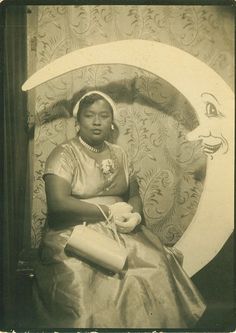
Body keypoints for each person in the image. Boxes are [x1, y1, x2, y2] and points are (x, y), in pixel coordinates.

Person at [33, 90, 206, 328]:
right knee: (88, 281)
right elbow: (58, 204)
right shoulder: (64, 153)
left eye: (103, 116)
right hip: (74, 231)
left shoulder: (120, 154)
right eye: (89, 115)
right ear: (77, 121)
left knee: (154, 265)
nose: (96, 121)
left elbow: (133, 194)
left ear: (111, 121)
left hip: (120, 225)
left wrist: (134, 215)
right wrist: (107, 212)